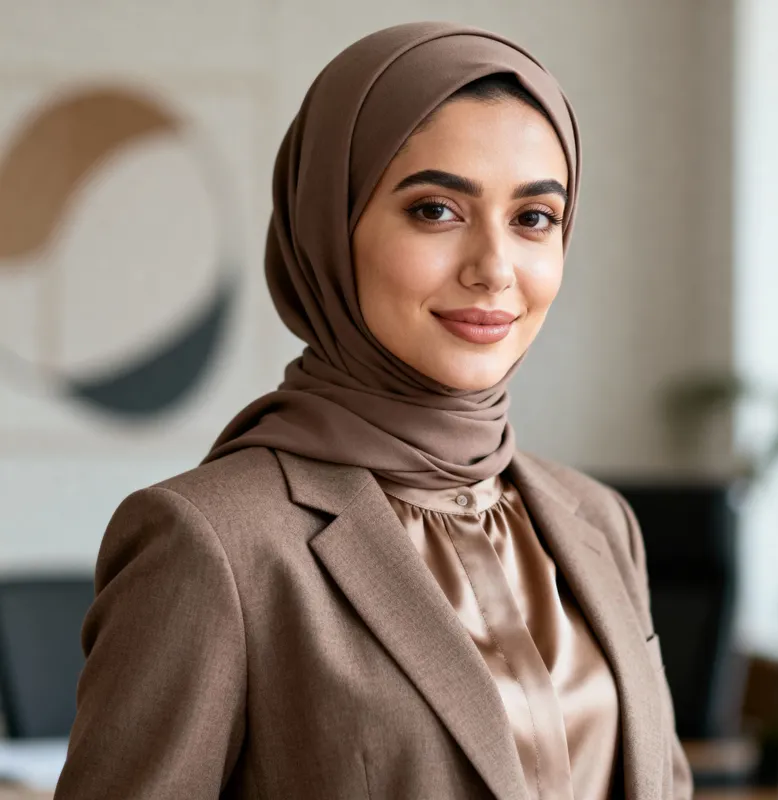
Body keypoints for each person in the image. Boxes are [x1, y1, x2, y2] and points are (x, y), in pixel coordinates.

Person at [54, 20, 692, 800]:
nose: (494, 269)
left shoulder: (600, 524)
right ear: (328, 225)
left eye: (533, 219)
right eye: (435, 210)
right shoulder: (214, 545)